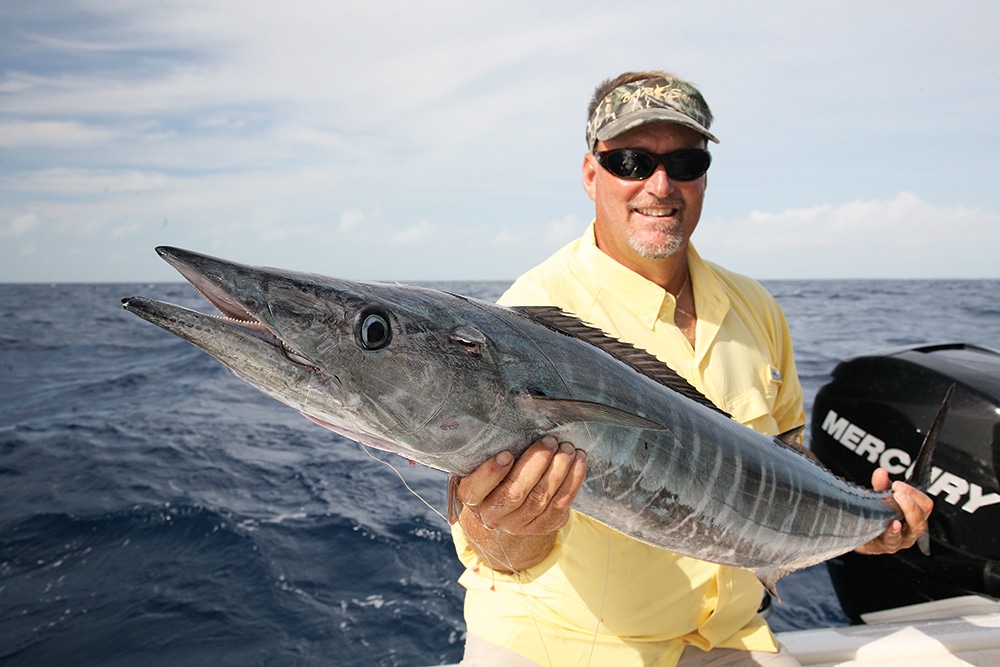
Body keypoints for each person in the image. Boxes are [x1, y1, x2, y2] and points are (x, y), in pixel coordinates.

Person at [450, 71, 934, 667]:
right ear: (589, 172)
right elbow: (491, 553)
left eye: (684, 162)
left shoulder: (755, 307)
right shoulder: (530, 319)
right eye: (630, 161)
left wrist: (870, 525)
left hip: (730, 640)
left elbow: (788, 465)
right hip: (567, 646)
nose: (659, 185)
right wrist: (510, 527)